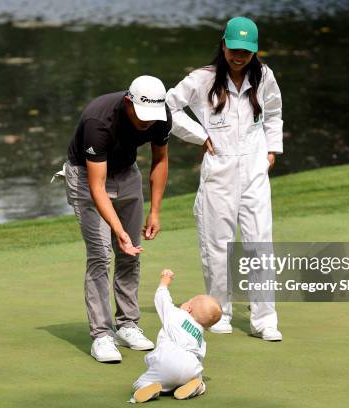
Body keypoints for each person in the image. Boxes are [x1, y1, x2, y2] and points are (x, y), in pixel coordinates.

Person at [165, 16, 284, 341]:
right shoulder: (202, 79)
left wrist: (272, 149)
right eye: (234, 49)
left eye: (246, 51)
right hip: (218, 170)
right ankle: (219, 311)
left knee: (260, 242)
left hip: (254, 169)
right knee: (218, 244)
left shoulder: (264, 76)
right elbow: (168, 107)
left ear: (254, 51)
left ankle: (264, 319)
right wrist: (198, 135)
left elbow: (273, 114)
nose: (239, 56)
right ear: (223, 45)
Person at [64, 75, 171, 362]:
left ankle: (127, 325)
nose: (148, 122)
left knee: (131, 253)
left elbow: (160, 160)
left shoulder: (160, 114)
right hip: (87, 176)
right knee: (101, 255)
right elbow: (97, 187)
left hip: (126, 172)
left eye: (153, 116)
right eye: (142, 114)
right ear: (128, 103)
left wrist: (156, 211)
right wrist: (117, 229)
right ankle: (101, 335)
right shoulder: (98, 121)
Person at [131, 269, 222, 403]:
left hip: (166, 361)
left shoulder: (176, 314)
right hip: (190, 366)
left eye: (188, 301)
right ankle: (198, 386)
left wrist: (165, 281)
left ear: (188, 309)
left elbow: (162, 298)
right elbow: (199, 358)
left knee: (141, 382)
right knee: (196, 375)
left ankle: (150, 387)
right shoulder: (199, 335)